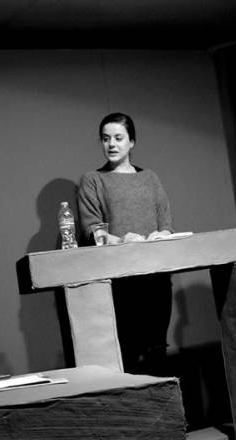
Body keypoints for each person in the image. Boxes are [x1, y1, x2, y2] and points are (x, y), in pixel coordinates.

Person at [77, 112, 174, 373]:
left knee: (157, 351)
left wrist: (162, 235)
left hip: (155, 276)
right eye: (106, 138)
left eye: (118, 138)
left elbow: (166, 223)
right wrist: (122, 240)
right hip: (119, 281)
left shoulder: (150, 177)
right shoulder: (93, 180)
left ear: (132, 142)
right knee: (128, 354)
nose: (111, 144)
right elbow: (91, 230)